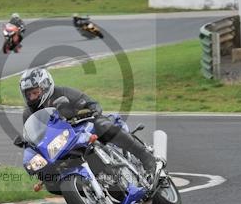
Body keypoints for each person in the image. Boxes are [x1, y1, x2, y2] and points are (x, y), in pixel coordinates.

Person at [19, 68, 158, 175]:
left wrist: (91, 110)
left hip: (84, 127)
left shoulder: (63, 92)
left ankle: (145, 156)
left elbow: (91, 103)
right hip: (63, 141)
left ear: (45, 86)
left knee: (102, 125)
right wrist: (28, 143)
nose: (32, 97)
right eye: (28, 94)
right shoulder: (28, 113)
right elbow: (34, 135)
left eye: (34, 92)